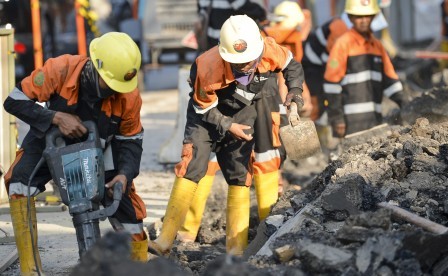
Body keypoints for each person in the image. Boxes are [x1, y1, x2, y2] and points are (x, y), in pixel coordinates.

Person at [149, 14, 304, 256]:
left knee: (239, 175)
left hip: (242, 112)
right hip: (207, 115)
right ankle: (165, 240)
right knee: (193, 166)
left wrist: (295, 92)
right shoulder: (206, 65)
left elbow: (291, 65)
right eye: (237, 64)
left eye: (248, 62)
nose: (244, 68)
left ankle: (236, 251)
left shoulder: (268, 50)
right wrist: (227, 125)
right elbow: (203, 106)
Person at [3, 32, 148, 274]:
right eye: (108, 84)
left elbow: (131, 141)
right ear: (94, 67)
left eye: (117, 87)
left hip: (102, 147)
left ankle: (140, 268)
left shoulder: (128, 96)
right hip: (51, 138)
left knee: (129, 213)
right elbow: (14, 100)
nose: (113, 91)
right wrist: (55, 117)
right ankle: (30, 269)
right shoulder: (60, 69)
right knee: (19, 183)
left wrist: (124, 175)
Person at [323, 0, 404, 138]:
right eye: (359, 16)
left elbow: (390, 81)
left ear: (374, 17)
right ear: (350, 18)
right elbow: (332, 84)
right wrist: (337, 119)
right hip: (351, 124)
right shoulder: (343, 44)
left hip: (375, 120)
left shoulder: (377, 46)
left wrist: (406, 104)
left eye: (367, 16)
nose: (364, 20)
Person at [196, 0, 267, 53]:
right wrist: (262, 13)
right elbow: (244, 6)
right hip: (230, 40)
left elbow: (201, 11)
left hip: (211, 39)